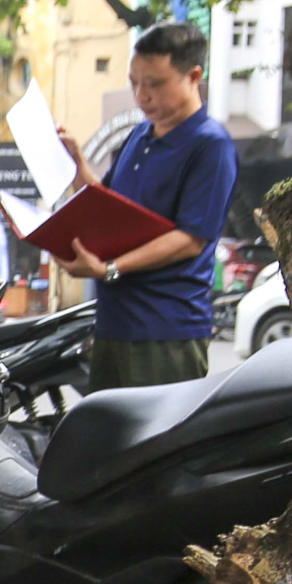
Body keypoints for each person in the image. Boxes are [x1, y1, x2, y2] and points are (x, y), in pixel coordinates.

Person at [56, 21, 238, 391]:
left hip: (165, 328)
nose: (142, 95)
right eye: (134, 82)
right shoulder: (140, 134)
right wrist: (76, 163)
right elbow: (107, 205)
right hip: (113, 321)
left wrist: (109, 269)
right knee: (108, 439)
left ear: (193, 76)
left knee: (154, 444)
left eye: (154, 83)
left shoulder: (210, 145)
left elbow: (190, 239)